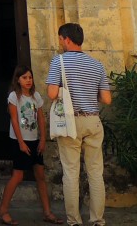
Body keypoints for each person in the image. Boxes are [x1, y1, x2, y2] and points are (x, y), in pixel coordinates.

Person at [47, 23, 112, 226]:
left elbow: (50, 94)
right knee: (95, 173)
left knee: (71, 173)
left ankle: (74, 221)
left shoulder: (59, 62)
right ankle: (98, 220)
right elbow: (106, 99)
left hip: (70, 121)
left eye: (60, 39)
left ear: (66, 39)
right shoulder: (97, 64)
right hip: (93, 120)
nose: (60, 42)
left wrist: (66, 91)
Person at [0, 65, 62, 225]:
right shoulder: (14, 97)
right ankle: (2, 210)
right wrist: (21, 143)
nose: (28, 80)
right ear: (17, 80)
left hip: (34, 140)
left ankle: (47, 212)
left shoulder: (36, 97)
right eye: (24, 77)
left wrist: (42, 139)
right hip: (20, 141)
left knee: (40, 175)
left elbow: (40, 118)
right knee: (18, 176)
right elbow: (13, 119)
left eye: (30, 77)